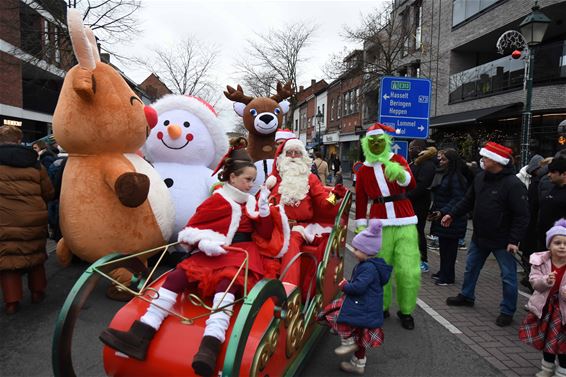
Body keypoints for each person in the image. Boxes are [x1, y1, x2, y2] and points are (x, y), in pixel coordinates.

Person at [99, 137, 288, 377]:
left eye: (253, 180)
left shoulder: (251, 202)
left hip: (242, 254)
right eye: (247, 179)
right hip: (212, 252)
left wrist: (263, 212)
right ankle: (140, 334)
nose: (251, 184)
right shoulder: (218, 200)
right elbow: (193, 228)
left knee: (226, 284)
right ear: (232, 178)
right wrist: (204, 241)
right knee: (178, 275)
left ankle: (209, 350)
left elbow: (262, 235)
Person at [443, 141, 529, 327]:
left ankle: (507, 310)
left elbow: (522, 215)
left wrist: (514, 240)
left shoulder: (514, 184)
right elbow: (468, 200)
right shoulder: (480, 178)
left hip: (503, 240)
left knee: (508, 276)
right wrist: (452, 214)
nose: (482, 159)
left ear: (497, 161)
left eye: (486, 157)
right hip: (480, 236)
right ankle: (466, 295)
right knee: (471, 267)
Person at [355, 123, 420, 330]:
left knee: (408, 270)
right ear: (366, 144)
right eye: (372, 142)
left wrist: (399, 173)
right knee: (379, 270)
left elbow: (411, 184)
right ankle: (380, 307)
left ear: (386, 142)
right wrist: (360, 225)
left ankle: (406, 310)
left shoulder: (398, 160)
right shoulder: (363, 169)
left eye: (380, 141)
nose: (376, 145)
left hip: (405, 220)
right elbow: (361, 198)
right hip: (378, 224)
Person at [265, 138, 343, 291]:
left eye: (297, 153)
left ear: (303, 157)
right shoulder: (274, 180)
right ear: (283, 157)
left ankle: (288, 290)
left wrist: (336, 196)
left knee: (291, 243)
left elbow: (324, 203)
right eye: (289, 153)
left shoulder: (310, 179)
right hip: (276, 224)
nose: (293, 156)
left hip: (298, 227)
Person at [317, 219, 392, 375]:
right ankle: (358, 363)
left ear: (367, 252)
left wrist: (345, 285)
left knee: (338, 316)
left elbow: (358, 288)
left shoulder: (368, 269)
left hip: (362, 305)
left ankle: (347, 341)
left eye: (357, 249)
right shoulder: (371, 265)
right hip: (368, 306)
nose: (354, 251)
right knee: (361, 336)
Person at [0, 125, 54, 314]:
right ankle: (37, 292)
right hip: (33, 218)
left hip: (4, 221)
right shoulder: (34, 163)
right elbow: (48, 192)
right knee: (35, 256)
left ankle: (12, 302)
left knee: (8, 261)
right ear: (18, 140)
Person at [518, 219, 566, 377]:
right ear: (549, 246)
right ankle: (547, 369)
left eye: (565, 243)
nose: (562, 246)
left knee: (563, 344)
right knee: (548, 341)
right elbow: (534, 283)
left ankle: (562, 371)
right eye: (557, 242)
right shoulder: (541, 263)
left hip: (564, 312)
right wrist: (545, 281)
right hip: (546, 310)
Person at [427, 149, 468, 286]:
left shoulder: (455, 177)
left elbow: (457, 198)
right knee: (444, 248)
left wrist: (443, 212)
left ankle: (447, 276)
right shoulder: (447, 175)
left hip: (452, 219)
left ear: (451, 162)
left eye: (444, 160)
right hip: (444, 216)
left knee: (449, 249)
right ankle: (443, 271)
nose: (441, 161)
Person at [407, 139, 437, 273]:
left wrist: (406, 196)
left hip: (419, 204)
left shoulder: (427, 165)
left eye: (411, 148)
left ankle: (422, 260)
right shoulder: (415, 163)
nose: (409, 151)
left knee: (418, 231)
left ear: (419, 149)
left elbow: (421, 186)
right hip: (411, 203)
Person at [537, 157, 566, 252]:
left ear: (564, 174)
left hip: (560, 244)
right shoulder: (553, 188)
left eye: (553, 172)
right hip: (546, 241)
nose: (549, 175)